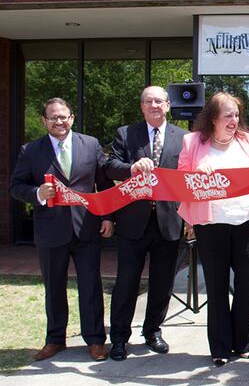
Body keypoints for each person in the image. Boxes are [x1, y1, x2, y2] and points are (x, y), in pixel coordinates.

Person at [9, 97, 114, 362]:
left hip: (87, 228)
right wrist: (37, 193)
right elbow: (15, 186)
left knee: (91, 287)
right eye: (54, 117)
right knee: (54, 288)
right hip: (50, 230)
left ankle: (95, 341)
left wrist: (108, 217)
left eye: (64, 116)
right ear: (44, 121)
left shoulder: (90, 145)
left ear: (72, 118)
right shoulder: (30, 150)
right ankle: (55, 340)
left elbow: (104, 184)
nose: (60, 121)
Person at [177, 92, 249, 367]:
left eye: (237, 115)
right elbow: (182, 180)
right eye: (228, 115)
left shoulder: (248, 141)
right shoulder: (192, 141)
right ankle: (219, 348)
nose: (235, 120)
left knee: (246, 286)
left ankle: (243, 344)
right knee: (217, 288)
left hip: (244, 224)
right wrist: (197, 172)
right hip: (211, 226)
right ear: (213, 118)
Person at [103, 86, 188, 361]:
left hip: (169, 222)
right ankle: (118, 339)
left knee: (162, 283)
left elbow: (188, 177)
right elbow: (110, 166)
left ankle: (152, 332)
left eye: (159, 101)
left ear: (167, 105)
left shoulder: (184, 138)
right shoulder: (126, 133)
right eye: (148, 101)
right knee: (126, 283)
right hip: (133, 223)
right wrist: (131, 167)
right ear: (142, 106)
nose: (154, 105)